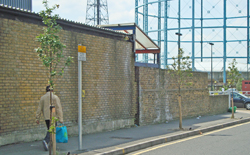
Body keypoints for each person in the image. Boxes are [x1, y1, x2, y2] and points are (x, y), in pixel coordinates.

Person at [36, 85, 63, 151]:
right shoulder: (55, 97)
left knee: (50, 129)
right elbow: (59, 108)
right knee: (52, 130)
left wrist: (37, 118)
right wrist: (61, 118)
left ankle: (50, 144)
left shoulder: (43, 98)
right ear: (52, 90)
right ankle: (46, 141)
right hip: (53, 116)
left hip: (46, 117)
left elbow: (39, 108)